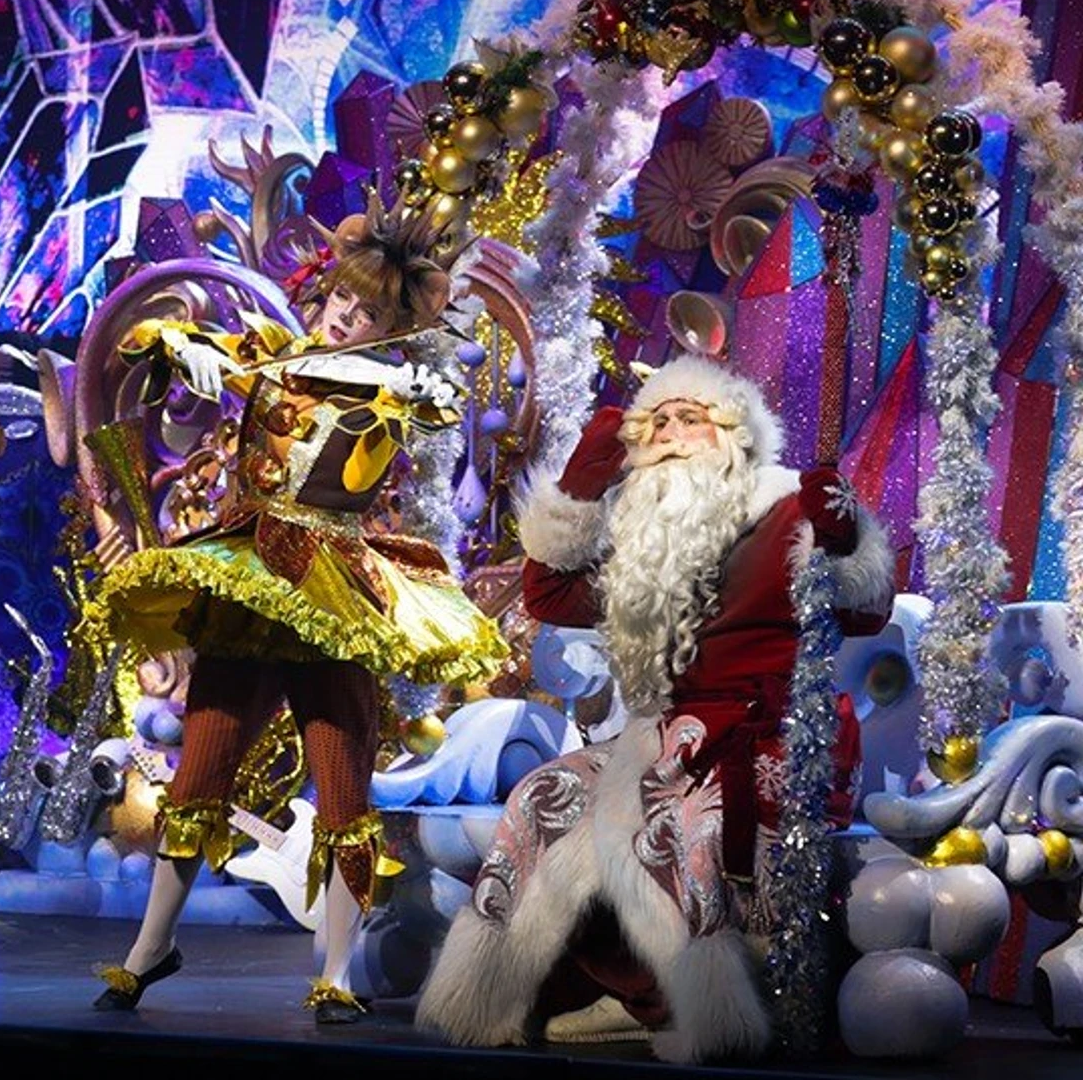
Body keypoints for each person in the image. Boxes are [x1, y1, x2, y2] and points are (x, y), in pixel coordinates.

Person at [84, 200, 510, 1023]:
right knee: (198, 776)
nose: (348, 316)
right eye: (344, 298)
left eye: (370, 312)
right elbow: (169, 344)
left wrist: (417, 382)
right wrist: (177, 346)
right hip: (248, 582)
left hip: (332, 591)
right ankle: (149, 950)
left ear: (393, 325)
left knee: (344, 787)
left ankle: (339, 974)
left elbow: (431, 400)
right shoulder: (271, 355)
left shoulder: (394, 384)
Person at [415, 355, 894, 1063]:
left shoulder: (787, 507)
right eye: (657, 422)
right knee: (545, 796)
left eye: (688, 419)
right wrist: (583, 482)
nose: (669, 434)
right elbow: (549, 595)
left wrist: (843, 540)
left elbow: (865, 611)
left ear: (733, 434)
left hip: (774, 736)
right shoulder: (645, 540)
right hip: (665, 740)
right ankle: (519, 997)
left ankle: (710, 1016)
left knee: (687, 833)